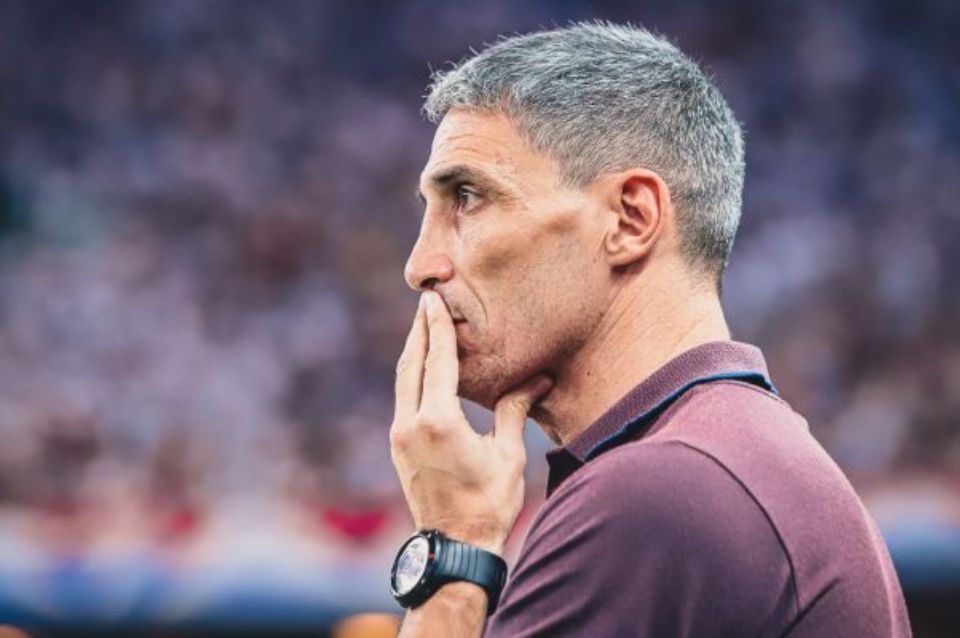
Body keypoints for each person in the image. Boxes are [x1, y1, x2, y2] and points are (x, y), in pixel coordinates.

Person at [387, 21, 910, 637]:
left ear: (631, 219)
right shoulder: (728, 457)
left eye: (468, 196)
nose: (420, 266)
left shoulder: (656, 494)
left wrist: (454, 553)